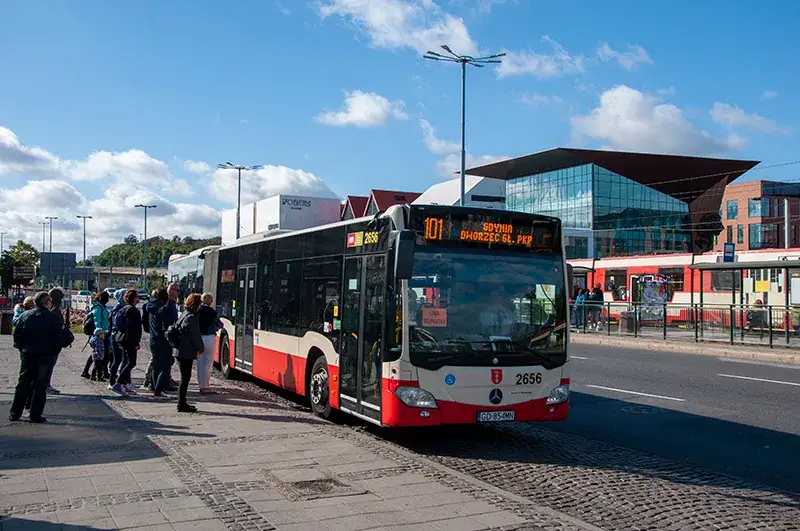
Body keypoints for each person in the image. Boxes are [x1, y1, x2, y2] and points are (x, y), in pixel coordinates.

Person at [9, 291, 66, 423]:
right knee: (40, 386)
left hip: (28, 354)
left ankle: (15, 413)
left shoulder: (25, 315)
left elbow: (17, 335)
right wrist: (54, 350)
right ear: (46, 302)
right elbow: (58, 337)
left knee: (23, 383)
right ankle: (35, 415)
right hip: (45, 356)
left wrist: (22, 348)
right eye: (49, 300)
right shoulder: (52, 317)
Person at [144, 288, 177, 399]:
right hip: (164, 340)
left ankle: (154, 387)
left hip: (154, 339)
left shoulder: (151, 306)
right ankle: (159, 389)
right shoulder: (165, 309)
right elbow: (171, 323)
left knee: (156, 365)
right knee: (166, 366)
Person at [175, 293, 204, 412]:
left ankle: (182, 403)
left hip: (180, 349)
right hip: (186, 351)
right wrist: (201, 348)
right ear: (196, 304)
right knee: (185, 378)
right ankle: (181, 404)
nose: (201, 306)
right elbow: (195, 335)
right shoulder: (192, 317)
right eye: (200, 304)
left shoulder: (184, 313)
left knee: (184, 378)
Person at [111, 289, 142, 395]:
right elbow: (135, 328)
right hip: (129, 340)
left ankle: (124, 385)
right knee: (132, 362)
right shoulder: (133, 311)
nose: (139, 298)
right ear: (134, 299)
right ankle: (118, 383)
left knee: (125, 361)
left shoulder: (124, 309)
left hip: (121, 338)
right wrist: (136, 342)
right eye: (137, 296)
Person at [197, 293, 223, 394]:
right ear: (211, 301)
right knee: (208, 363)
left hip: (199, 338)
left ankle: (200, 386)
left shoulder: (197, 311)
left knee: (200, 363)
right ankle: (206, 386)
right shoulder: (212, 312)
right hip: (209, 339)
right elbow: (220, 324)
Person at [81, 291, 111, 379]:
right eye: (107, 298)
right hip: (100, 334)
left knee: (97, 353)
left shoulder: (100, 307)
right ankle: (97, 374)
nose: (108, 300)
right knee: (101, 354)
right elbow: (97, 320)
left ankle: (88, 371)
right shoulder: (98, 308)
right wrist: (100, 332)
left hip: (102, 332)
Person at [107, 289, 127, 390]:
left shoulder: (123, 307)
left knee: (123, 359)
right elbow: (116, 324)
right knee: (117, 359)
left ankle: (124, 382)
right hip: (116, 337)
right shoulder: (118, 308)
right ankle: (112, 381)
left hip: (120, 337)